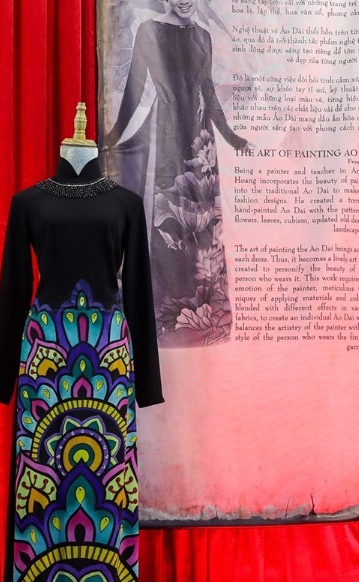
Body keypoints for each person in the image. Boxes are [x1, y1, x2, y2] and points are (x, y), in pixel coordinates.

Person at [0, 106, 164, 582]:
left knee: (108, 518)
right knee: (40, 518)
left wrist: (148, 383)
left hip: (109, 367)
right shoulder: (27, 202)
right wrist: (0, 378)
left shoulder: (126, 202)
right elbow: (11, 289)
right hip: (46, 363)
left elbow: (139, 289)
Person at [104, 0, 248, 347]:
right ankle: (164, 313)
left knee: (203, 227)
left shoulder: (202, 34)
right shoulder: (149, 30)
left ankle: (201, 315)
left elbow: (208, 91)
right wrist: (111, 136)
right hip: (167, 137)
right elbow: (135, 92)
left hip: (200, 141)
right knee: (169, 222)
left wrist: (230, 136)